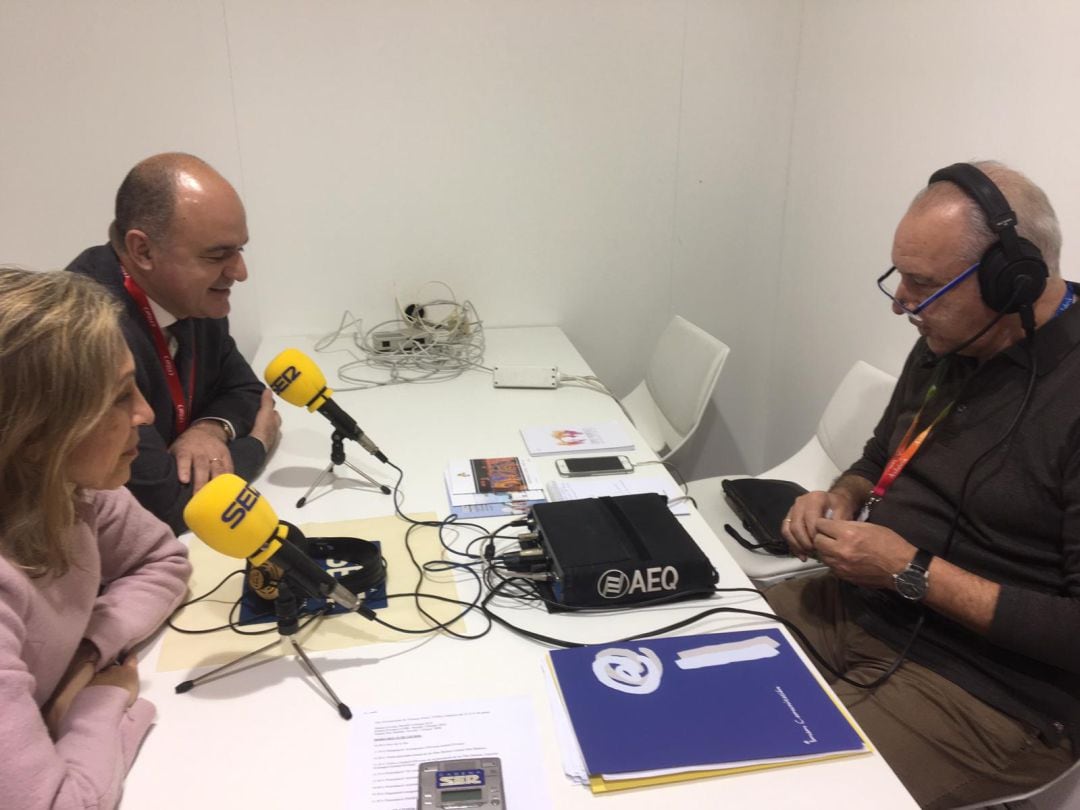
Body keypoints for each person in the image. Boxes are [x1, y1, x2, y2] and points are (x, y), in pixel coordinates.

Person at [771, 161, 1079, 809]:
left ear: (1011, 280)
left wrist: (910, 571)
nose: (900, 302)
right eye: (900, 276)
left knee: (773, 789)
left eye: (922, 283)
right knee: (686, 647)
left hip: (994, 693)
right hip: (861, 607)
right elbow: (882, 454)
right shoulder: (948, 336)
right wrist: (845, 496)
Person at [0, 268, 192, 809]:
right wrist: (101, 705)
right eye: (118, 397)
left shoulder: (68, 485)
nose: (146, 413)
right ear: (36, 434)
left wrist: (85, 659)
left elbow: (162, 560)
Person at [67, 152, 281, 533]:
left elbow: (244, 388)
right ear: (143, 251)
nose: (239, 272)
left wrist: (210, 429)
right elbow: (167, 506)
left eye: (239, 249)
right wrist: (257, 444)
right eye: (218, 254)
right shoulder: (83, 335)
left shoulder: (194, 297)